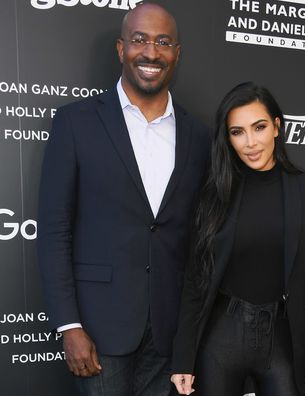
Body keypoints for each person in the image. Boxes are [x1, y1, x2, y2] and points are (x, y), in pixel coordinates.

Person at [37, 2, 210, 395]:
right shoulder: (75, 122)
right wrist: (69, 325)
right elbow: (53, 231)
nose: (151, 52)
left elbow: (199, 238)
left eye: (163, 42)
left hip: (168, 333)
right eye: (140, 40)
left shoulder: (199, 137)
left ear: (177, 54)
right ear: (121, 49)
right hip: (98, 331)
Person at [170, 82, 305, 396]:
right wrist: (183, 358)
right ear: (227, 138)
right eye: (237, 132)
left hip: (282, 338)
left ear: (277, 127)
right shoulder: (213, 194)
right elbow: (195, 279)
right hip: (219, 338)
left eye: (259, 127)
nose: (250, 143)